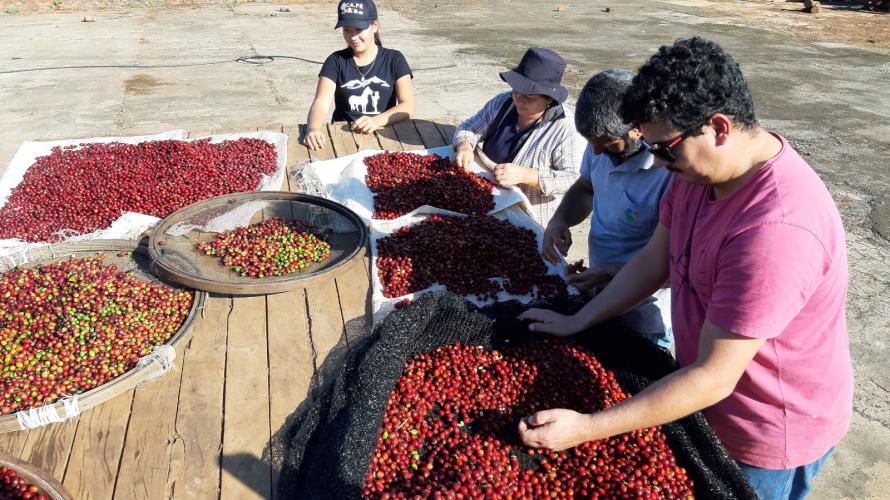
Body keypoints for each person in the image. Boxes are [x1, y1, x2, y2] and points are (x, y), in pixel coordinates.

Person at [517, 37, 852, 500]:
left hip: (767, 427)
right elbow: (655, 261)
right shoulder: (699, 176)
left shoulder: (776, 230)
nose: (656, 162)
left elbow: (715, 376)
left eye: (665, 148)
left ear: (718, 127)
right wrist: (580, 320)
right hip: (710, 399)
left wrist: (589, 428)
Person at [542, 69, 672, 348]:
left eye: (608, 144)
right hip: (597, 291)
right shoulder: (599, 144)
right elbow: (586, 187)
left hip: (644, 313)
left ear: (638, 129)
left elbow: (678, 264)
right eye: (593, 145)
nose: (597, 153)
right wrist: (559, 219)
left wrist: (616, 271)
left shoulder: (669, 174)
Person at [452, 48, 585, 227]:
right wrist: (465, 146)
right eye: (516, 91)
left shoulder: (565, 128)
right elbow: (469, 127)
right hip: (484, 199)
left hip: (529, 217)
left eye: (529, 97)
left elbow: (574, 179)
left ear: (549, 99)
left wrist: (527, 175)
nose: (519, 100)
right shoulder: (503, 103)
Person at [303, 0, 415, 151]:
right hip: (343, 136)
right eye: (347, 30)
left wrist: (377, 121)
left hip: (384, 133)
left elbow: (408, 105)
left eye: (358, 29)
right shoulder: (335, 61)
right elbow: (321, 102)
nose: (353, 37)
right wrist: (313, 128)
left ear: (375, 26)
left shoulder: (395, 59)